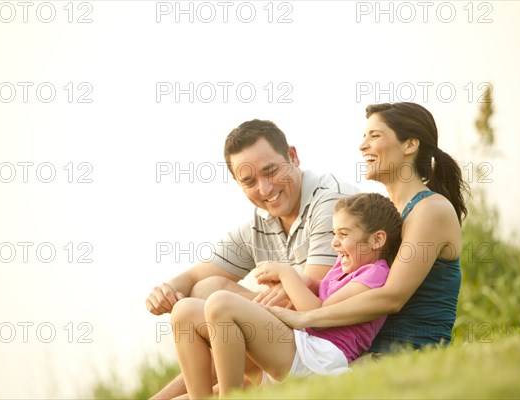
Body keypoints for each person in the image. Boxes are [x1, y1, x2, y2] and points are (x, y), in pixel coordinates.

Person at [145, 119, 357, 398]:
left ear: (292, 156)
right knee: (202, 291)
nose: (265, 189)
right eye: (249, 182)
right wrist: (168, 289)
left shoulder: (330, 202)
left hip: (320, 344)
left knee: (217, 302)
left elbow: (313, 306)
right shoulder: (263, 220)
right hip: (283, 340)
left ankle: (232, 389)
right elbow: (196, 277)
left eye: (271, 171)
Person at [267, 102, 469, 353]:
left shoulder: (430, 210)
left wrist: (306, 318)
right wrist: (308, 284)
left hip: (409, 351)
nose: (362, 146)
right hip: (365, 351)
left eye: (375, 136)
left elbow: (392, 297)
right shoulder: (387, 214)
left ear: (410, 145)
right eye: (364, 137)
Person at [170, 192, 403, 398]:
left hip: (318, 358)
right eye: (334, 233)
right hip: (296, 350)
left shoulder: (375, 274)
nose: (334, 243)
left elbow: (317, 313)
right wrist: (307, 282)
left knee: (221, 303)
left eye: (343, 234)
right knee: (185, 311)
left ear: (377, 240)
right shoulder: (343, 269)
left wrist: (287, 274)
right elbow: (323, 293)